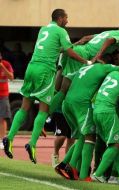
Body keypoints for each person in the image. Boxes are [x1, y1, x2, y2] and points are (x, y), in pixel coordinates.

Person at [3, 9, 88, 163]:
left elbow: (55, 48)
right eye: (66, 18)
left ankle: (9, 138)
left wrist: (76, 43)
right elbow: (68, 52)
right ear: (61, 18)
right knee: (44, 109)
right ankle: (32, 144)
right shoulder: (61, 31)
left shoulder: (43, 29)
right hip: (45, 70)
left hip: (31, 68)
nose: (67, 21)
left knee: (24, 107)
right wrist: (86, 61)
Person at [49, 22, 119, 114]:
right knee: (63, 90)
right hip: (82, 55)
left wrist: (73, 46)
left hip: (76, 49)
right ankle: (44, 115)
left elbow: (85, 38)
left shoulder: (109, 32)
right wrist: (98, 56)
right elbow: (109, 40)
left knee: (57, 87)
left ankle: (46, 106)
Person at [0, 52, 14, 149]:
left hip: (3, 95)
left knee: (3, 118)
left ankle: (2, 140)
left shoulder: (6, 64)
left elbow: (11, 77)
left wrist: (2, 67)